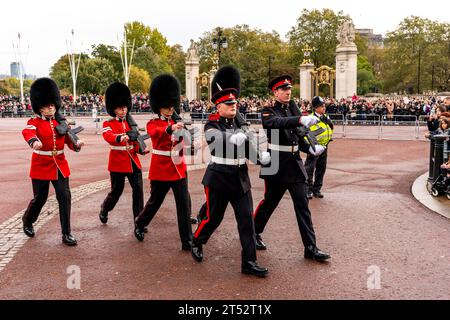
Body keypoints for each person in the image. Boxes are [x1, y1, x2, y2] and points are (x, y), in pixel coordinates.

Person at [191, 65, 269, 277]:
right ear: (218, 106)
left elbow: (249, 146)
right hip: (219, 177)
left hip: (240, 178)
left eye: (234, 103)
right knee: (213, 219)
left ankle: (249, 262)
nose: (233, 106)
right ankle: (197, 240)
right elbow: (213, 137)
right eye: (228, 103)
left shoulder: (240, 123)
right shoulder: (212, 123)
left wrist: (260, 158)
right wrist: (230, 137)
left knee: (246, 221)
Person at [252, 75, 331, 262]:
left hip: (294, 164)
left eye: (289, 90)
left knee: (303, 206)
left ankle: (310, 247)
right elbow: (275, 124)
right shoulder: (268, 110)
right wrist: (300, 120)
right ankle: (253, 233)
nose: (288, 92)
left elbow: (299, 134)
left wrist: (311, 148)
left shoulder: (293, 107)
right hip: (276, 164)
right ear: (275, 92)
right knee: (269, 203)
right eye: (284, 90)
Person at [21, 78, 84, 246]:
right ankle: (28, 219)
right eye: (47, 105)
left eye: (53, 104)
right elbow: (28, 132)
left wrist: (76, 144)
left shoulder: (60, 122)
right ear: (39, 106)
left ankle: (66, 233)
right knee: (39, 199)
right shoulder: (34, 122)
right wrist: (34, 141)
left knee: (65, 197)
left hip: (60, 165)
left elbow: (69, 141)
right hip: (41, 165)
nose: (50, 107)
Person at [134, 74, 193, 251]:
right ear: (159, 107)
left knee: (183, 204)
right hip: (161, 168)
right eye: (166, 107)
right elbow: (156, 133)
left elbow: (186, 142)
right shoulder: (153, 123)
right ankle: (140, 222)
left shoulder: (178, 121)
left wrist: (188, 138)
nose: (170, 110)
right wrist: (170, 128)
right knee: (155, 202)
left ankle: (187, 240)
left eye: (171, 107)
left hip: (178, 167)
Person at [98, 82, 145, 231]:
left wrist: (141, 149)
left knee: (138, 191)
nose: (123, 110)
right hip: (117, 162)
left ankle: (139, 221)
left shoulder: (132, 123)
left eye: (125, 107)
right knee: (116, 192)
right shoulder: (108, 123)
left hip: (133, 161)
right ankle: (105, 208)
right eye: (120, 108)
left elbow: (136, 140)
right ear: (113, 109)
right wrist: (120, 138)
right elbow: (108, 136)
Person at [305, 96, 334, 199]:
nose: (324, 107)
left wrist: (329, 136)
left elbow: (330, 128)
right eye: (322, 106)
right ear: (316, 107)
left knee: (321, 169)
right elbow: (305, 133)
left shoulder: (325, 117)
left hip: (324, 147)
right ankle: (308, 189)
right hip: (314, 147)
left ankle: (316, 189)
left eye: (324, 105)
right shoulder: (310, 118)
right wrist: (311, 145)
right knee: (310, 169)